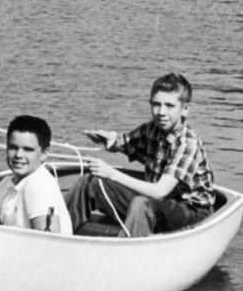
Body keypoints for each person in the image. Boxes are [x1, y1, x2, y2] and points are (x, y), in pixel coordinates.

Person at [66, 72, 215, 237]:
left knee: (141, 204)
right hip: (160, 203)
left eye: (169, 106)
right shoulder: (152, 129)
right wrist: (110, 139)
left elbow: (160, 191)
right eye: (156, 104)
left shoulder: (187, 143)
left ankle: (128, 253)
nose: (161, 112)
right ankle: (60, 235)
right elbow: (127, 142)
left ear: (185, 110)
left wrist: (111, 174)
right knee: (89, 182)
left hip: (190, 211)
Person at [0, 115, 73, 234]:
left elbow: (49, 242)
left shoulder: (39, 184)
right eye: (13, 147)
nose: (18, 155)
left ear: (44, 154)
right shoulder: (4, 185)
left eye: (28, 149)